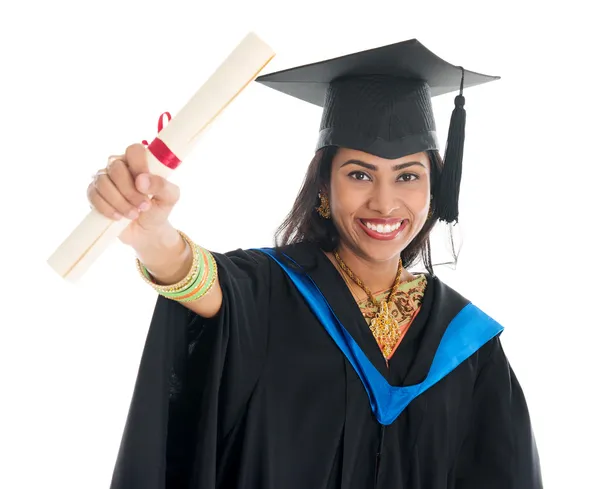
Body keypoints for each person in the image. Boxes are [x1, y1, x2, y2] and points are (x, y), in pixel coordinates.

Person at [87, 39, 543, 489]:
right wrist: (155, 238)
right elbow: (201, 283)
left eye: (408, 176)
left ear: (434, 190)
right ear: (324, 186)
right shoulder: (272, 289)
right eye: (359, 174)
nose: (385, 203)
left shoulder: (467, 343)